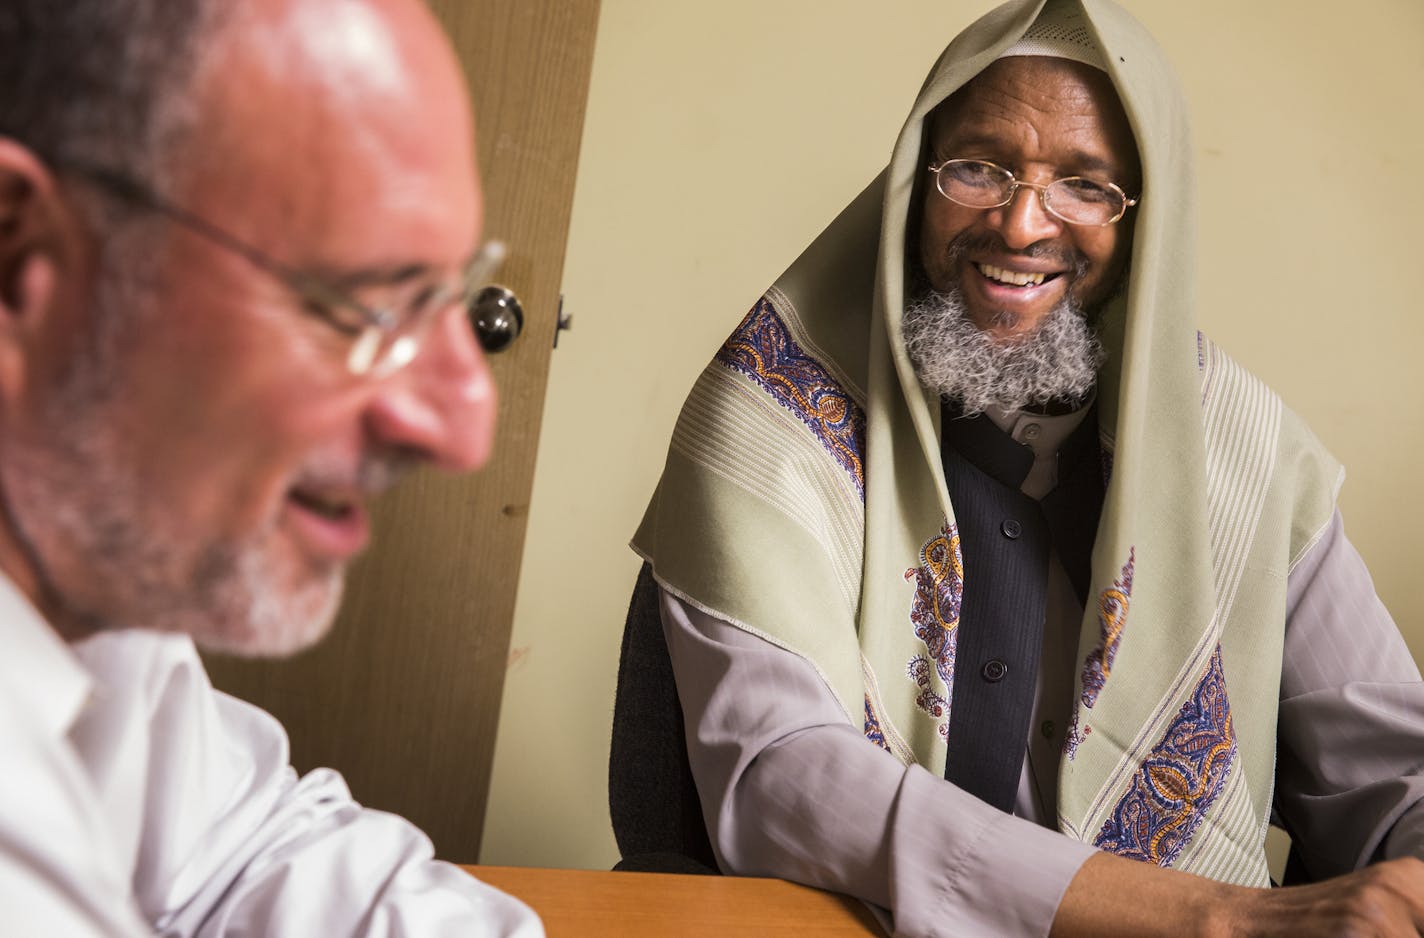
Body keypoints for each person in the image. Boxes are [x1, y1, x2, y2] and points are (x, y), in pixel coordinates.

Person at [629, 0, 1424, 934]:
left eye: (1085, 186)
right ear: (915, 183)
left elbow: (1385, 768)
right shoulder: (769, 414)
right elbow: (782, 778)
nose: (1019, 223)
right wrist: (1215, 918)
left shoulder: (1248, 458)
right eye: (977, 168)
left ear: (1143, 226)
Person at [0, 0, 541, 934]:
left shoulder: (92, 556)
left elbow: (234, 849)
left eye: (450, 294)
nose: (465, 430)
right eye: (370, 304)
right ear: (17, 261)